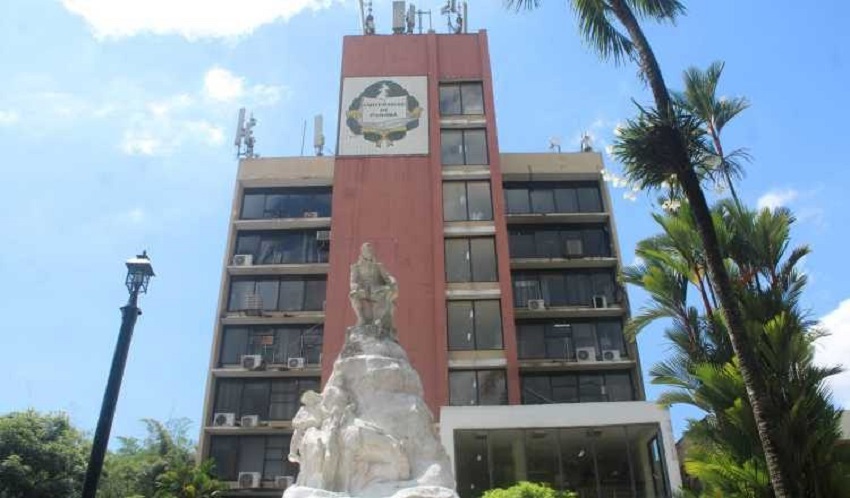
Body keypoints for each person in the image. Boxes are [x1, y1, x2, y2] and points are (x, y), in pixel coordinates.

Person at [349, 242, 398, 336]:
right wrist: (355, 287)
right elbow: (353, 281)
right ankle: (361, 318)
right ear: (362, 252)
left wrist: (392, 281)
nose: (369, 253)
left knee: (386, 292)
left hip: (376, 290)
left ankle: (378, 320)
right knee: (353, 294)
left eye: (371, 251)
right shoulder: (356, 267)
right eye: (367, 251)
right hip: (363, 290)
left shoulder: (378, 266)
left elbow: (387, 277)